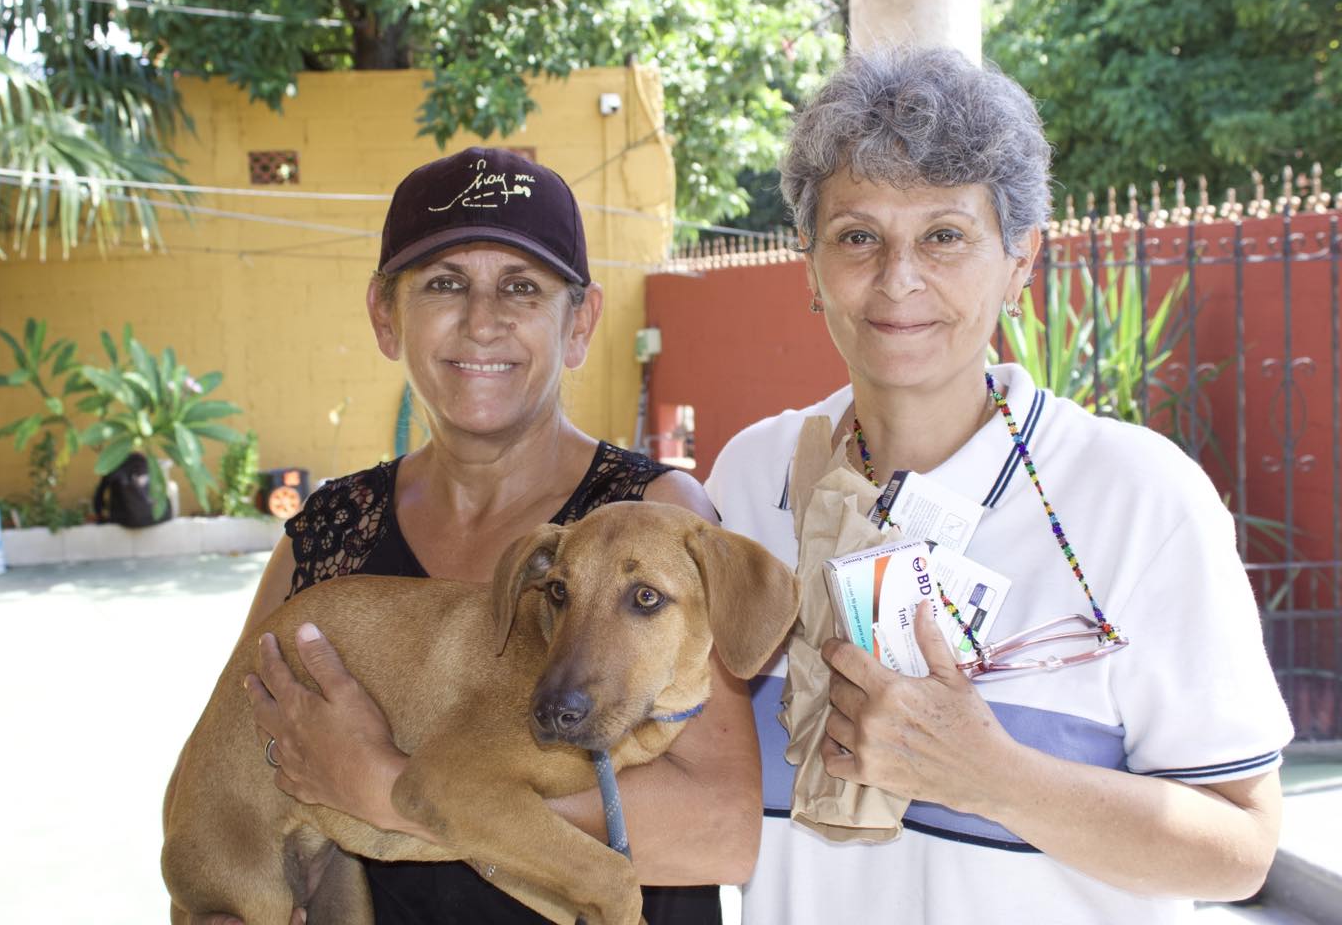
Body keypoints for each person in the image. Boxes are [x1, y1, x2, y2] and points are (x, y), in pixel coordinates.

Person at [704, 48, 1294, 924]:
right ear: (810, 265)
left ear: (1020, 261)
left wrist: (993, 777)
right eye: (858, 236)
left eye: (945, 236)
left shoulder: (1141, 501)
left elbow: (1240, 851)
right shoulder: (752, 479)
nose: (899, 278)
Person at [228, 147, 759, 924]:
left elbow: (725, 832)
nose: (482, 321)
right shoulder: (327, 536)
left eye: (522, 287)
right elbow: (235, 772)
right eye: (445, 284)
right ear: (385, 315)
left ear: (580, 323)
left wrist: (395, 791)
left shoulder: (654, 517)